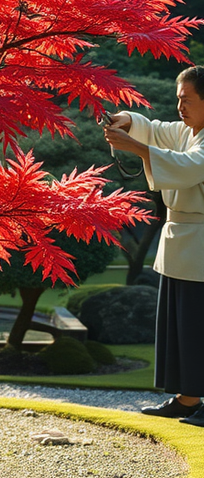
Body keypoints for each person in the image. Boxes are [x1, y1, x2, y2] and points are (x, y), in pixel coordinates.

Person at [103, 65, 204, 426]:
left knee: (200, 325)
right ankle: (189, 397)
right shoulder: (189, 132)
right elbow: (159, 130)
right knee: (184, 326)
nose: (180, 107)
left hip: (201, 244)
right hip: (183, 244)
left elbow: (191, 166)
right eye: (179, 99)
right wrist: (127, 120)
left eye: (187, 100)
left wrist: (137, 148)